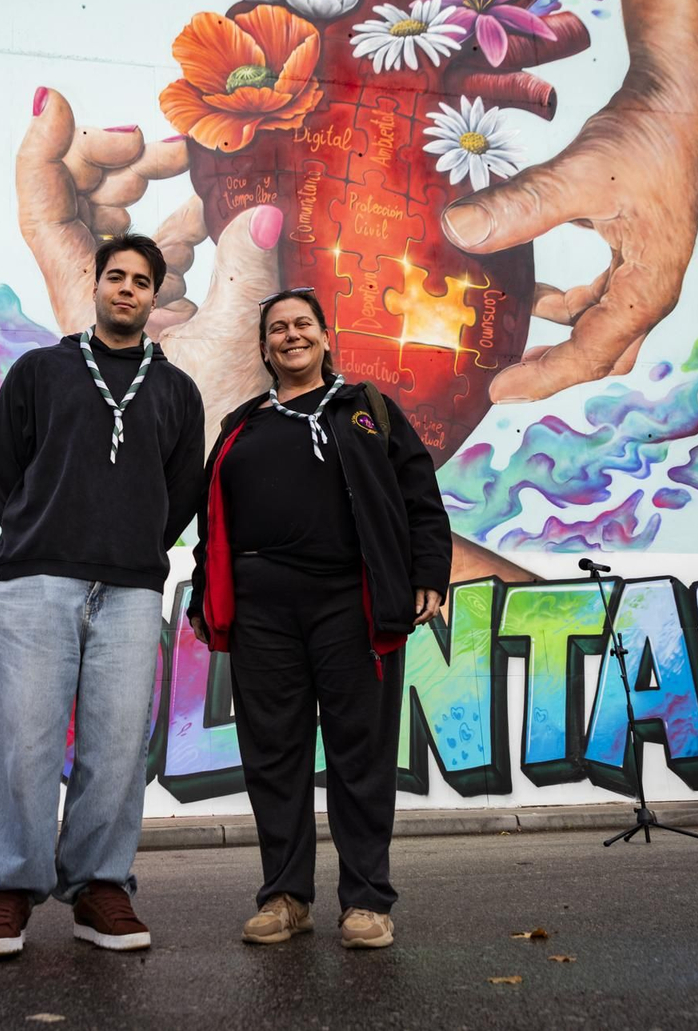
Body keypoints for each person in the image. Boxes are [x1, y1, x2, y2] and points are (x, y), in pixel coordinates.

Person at [188, 288, 451, 950]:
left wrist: (428, 575)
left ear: (325, 337)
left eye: (302, 323)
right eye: (277, 328)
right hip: (261, 613)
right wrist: (203, 595)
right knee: (273, 757)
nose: (290, 335)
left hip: (350, 605)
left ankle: (366, 902)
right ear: (265, 346)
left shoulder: (369, 411)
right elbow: (211, 525)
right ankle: (285, 897)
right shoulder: (241, 424)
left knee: (360, 756)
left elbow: (421, 498)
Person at [0, 233, 205, 960]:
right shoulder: (41, 370)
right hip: (39, 580)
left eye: (141, 281)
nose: (127, 289)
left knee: (117, 747)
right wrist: (47, 534)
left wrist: (130, 546)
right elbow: (1, 471)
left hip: (131, 590)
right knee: (23, 740)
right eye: (116, 276)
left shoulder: (176, 390)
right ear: (96, 285)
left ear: (156, 297)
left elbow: (180, 494)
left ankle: (100, 886)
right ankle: (6, 890)